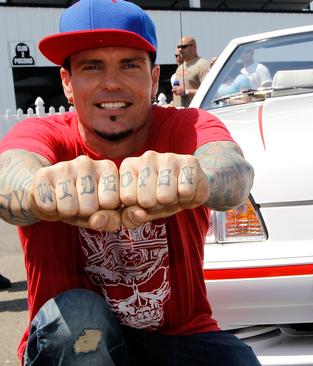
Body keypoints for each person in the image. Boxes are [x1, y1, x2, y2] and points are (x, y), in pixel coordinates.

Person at [0, 0, 257, 365]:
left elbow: (233, 171)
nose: (111, 83)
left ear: (153, 79)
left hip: (179, 338)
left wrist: (197, 178)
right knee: (79, 316)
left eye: (129, 65)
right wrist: (39, 190)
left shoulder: (187, 127)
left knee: (236, 359)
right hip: (78, 345)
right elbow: (10, 175)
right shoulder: (42, 135)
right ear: (67, 83)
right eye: (91, 66)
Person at [172, 36, 211, 107]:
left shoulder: (203, 64)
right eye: (179, 47)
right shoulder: (180, 68)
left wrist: (187, 92)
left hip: (196, 112)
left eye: (184, 47)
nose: (180, 49)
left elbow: (209, 91)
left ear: (194, 47)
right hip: (180, 113)